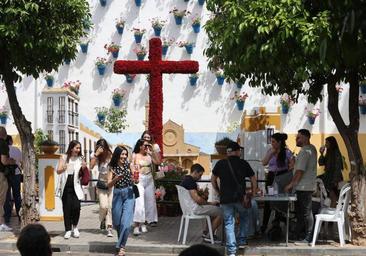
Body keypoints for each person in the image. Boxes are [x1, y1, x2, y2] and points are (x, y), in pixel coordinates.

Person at [211, 141, 257, 256]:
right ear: (237, 151)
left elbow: (213, 179)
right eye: (239, 151)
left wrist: (218, 191)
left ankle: (231, 251)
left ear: (228, 152)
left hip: (225, 199)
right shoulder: (243, 163)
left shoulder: (220, 163)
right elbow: (253, 179)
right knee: (245, 217)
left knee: (228, 223)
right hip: (240, 198)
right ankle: (241, 240)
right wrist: (254, 192)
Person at [285, 129, 317, 244]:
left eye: (298, 138)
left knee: (306, 212)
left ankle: (309, 237)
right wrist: (294, 163)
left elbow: (300, 171)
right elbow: (299, 168)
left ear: (305, 138)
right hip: (306, 186)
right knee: (301, 212)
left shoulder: (305, 151)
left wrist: (290, 184)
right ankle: (300, 234)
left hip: (304, 186)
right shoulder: (311, 148)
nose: (296, 140)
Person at [180, 163, 223, 243]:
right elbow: (197, 199)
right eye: (200, 175)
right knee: (221, 212)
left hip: (189, 208)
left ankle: (206, 232)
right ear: (195, 172)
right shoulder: (190, 181)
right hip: (195, 209)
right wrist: (210, 203)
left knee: (213, 211)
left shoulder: (185, 179)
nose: (200, 178)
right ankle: (209, 236)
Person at [261, 132, 294, 233]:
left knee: (280, 200)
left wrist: (287, 173)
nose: (272, 143)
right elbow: (264, 162)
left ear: (280, 142)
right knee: (268, 200)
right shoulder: (270, 151)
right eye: (271, 141)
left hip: (281, 177)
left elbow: (292, 165)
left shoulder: (287, 152)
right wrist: (271, 153)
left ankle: (277, 223)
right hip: (271, 176)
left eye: (274, 142)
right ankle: (264, 225)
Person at [108, 146, 136, 256]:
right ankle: (121, 244)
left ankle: (121, 247)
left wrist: (135, 178)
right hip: (117, 193)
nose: (124, 156)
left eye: (125, 154)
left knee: (126, 223)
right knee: (118, 223)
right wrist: (116, 179)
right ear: (117, 154)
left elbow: (135, 178)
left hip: (129, 193)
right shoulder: (112, 167)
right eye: (122, 154)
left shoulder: (129, 165)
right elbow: (108, 184)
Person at [56, 140, 86, 239]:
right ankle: (68, 230)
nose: (78, 150)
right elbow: (58, 171)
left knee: (76, 208)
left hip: (76, 187)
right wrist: (65, 167)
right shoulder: (64, 157)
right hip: (66, 187)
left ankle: (75, 227)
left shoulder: (81, 158)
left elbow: (83, 172)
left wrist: (84, 167)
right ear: (71, 148)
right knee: (67, 209)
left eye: (79, 148)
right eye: (77, 148)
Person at [131, 139, 160, 235]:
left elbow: (157, 162)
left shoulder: (149, 155)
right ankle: (136, 225)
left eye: (148, 145)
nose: (147, 147)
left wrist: (152, 152)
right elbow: (131, 167)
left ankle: (144, 223)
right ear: (140, 146)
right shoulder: (135, 155)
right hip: (139, 179)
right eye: (145, 145)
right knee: (139, 202)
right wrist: (134, 176)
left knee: (150, 202)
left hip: (149, 179)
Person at [90, 138, 113, 237]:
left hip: (111, 182)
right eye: (100, 147)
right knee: (103, 206)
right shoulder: (95, 155)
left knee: (110, 206)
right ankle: (102, 219)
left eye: (103, 147)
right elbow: (90, 166)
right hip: (101, 183)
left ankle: (109, 227)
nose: (102, 150)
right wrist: (96, 154)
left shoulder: (110, 155)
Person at [318, 136, 344, 208]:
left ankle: (333, 213)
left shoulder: (336, 153)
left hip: (333, 178)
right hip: (328, 177)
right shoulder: (328, 153)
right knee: (331, 196)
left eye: (327, 142)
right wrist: (321, 154)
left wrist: (335, 181)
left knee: (333, 196)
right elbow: (321, 163)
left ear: (331, 143)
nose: (325, 144)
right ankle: (331, 211)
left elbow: (338, 167)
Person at [4, 135, 22, 224]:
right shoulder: (17, 150)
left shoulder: (3, 150)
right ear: (11, 141)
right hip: (16, 174)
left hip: (6, 175)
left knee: (6, 197)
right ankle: (20, 216)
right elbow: (22, 160)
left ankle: (7, 218)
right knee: (17, 195)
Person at [0, 127, 16, 231]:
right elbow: (4, 161)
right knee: (1, 200)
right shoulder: (2, 144)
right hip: (1, 174)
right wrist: (12, 161)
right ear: (4, 134)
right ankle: (1, 223)